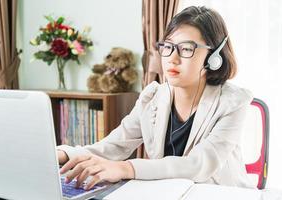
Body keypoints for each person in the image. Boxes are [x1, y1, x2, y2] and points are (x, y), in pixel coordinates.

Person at [57, 6, 254, 190]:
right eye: (167, 47)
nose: (172, 58)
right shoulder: (152, 97)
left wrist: (126, 168)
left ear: (214, 56)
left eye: (186, 49)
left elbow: (199, 164)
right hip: (168, 193)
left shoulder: (233, 103)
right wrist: (64, 154)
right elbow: (113, 146)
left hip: (219, 193)